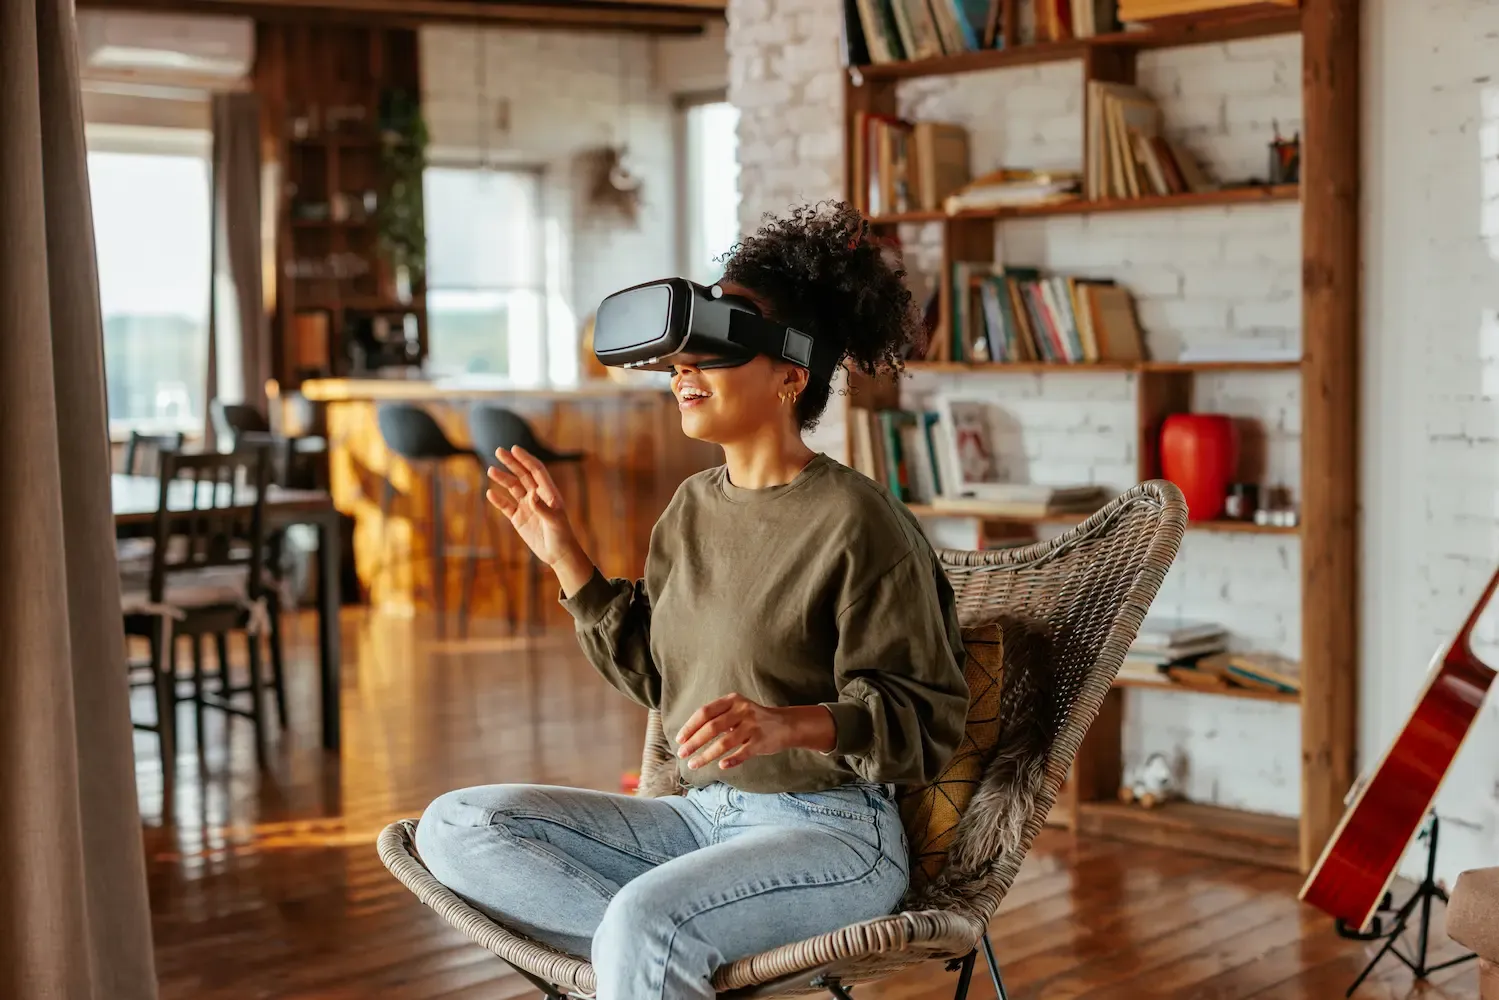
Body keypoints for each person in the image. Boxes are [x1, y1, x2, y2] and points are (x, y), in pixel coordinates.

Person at [415, 201, 969, 1000]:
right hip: (700, 820)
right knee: (457, 827)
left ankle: (651, 953)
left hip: (832, 833)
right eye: (681, 354)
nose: (683, 369)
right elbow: (658, 677)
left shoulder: (857, 519)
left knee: (647, 925)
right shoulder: (689, 508)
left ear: (789, 372)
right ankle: (654, 965)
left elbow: (925, 724)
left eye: (713, 348)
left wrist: (788, 723)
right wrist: (564, 553)